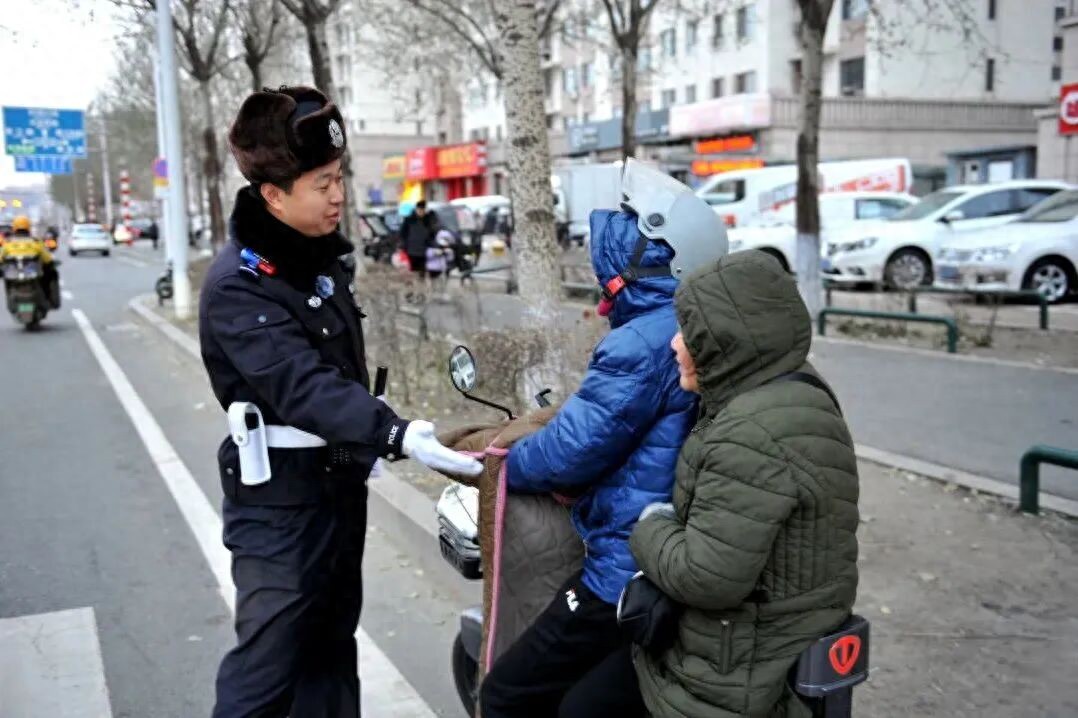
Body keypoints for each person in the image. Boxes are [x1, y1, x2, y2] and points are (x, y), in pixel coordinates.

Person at [199, 85, 481, 718]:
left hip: (334, 491)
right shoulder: (239, 286)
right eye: (321, 184)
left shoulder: (318, 264)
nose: (337, 195)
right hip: (277, 506)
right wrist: (396, 433)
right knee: (268, 666)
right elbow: (301, 385)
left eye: (337, 178)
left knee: (330, 653)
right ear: (272, 195)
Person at [478, 160, 729, 718]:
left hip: (623, 566)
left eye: (622, 226)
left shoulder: (642, 340)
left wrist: (499, 465)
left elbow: (570, 453)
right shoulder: (695, 323)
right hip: (678, 552)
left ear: (649, 253)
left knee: (506, 695)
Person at [627, 250, 860, 718]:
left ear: (730, 342)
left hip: (736, 674)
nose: (675, 344)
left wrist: (649, 524)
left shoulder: (751, 432)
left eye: (689, 332)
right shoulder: (788, 388)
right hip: (776, 645)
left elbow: (706, 576)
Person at [0, 215, 60, 308]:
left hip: (13, 278)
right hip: (33, 276)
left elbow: (1, 258)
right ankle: (51, 300)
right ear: (29, 227)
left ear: (14, 228)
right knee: (51, 274)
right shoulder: (35, 242)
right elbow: (47, 259)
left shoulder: (8, 244)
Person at [399, 199, 437, 275]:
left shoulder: (428, 220)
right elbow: (403, 234)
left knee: (422, 271)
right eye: (419, 210)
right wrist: (404, 245)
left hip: (424, 250)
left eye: (422, 210)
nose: (421, 212)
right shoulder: (409, 220)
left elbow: (433, 234)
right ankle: (415, 285)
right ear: (416, 209)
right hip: (411, 250)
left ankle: (421, 284)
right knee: (413, 271)